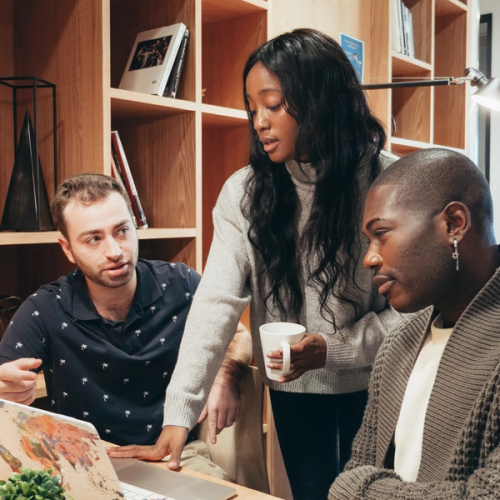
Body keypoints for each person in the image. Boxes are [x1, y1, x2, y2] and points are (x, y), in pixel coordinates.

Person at [110, 28, 404, 499]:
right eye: (252, 108)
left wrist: (333, 349)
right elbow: (215, 305)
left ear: (321, 100)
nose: (259, 122)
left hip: (381, 380)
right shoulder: (244, 193)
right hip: (294, 391)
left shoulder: (391, 182)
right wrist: (179, 417)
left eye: (273, 104)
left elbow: (414, 311)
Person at [0, 173, 251, 479]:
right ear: (67, 249)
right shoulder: (44, 308)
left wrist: (225, 377)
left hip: (175, 454)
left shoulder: (181, 284)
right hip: (83, 463)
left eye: (121, 231)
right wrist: (6, 390)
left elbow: (238, 334)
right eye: (94, 238)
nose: (114, 251)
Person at [329, 148, 500, 499]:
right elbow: (359, 466)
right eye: (368, 240)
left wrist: (358, 492)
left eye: (382, 233)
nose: (370, 257)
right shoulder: (398, 344)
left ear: (454, 223)